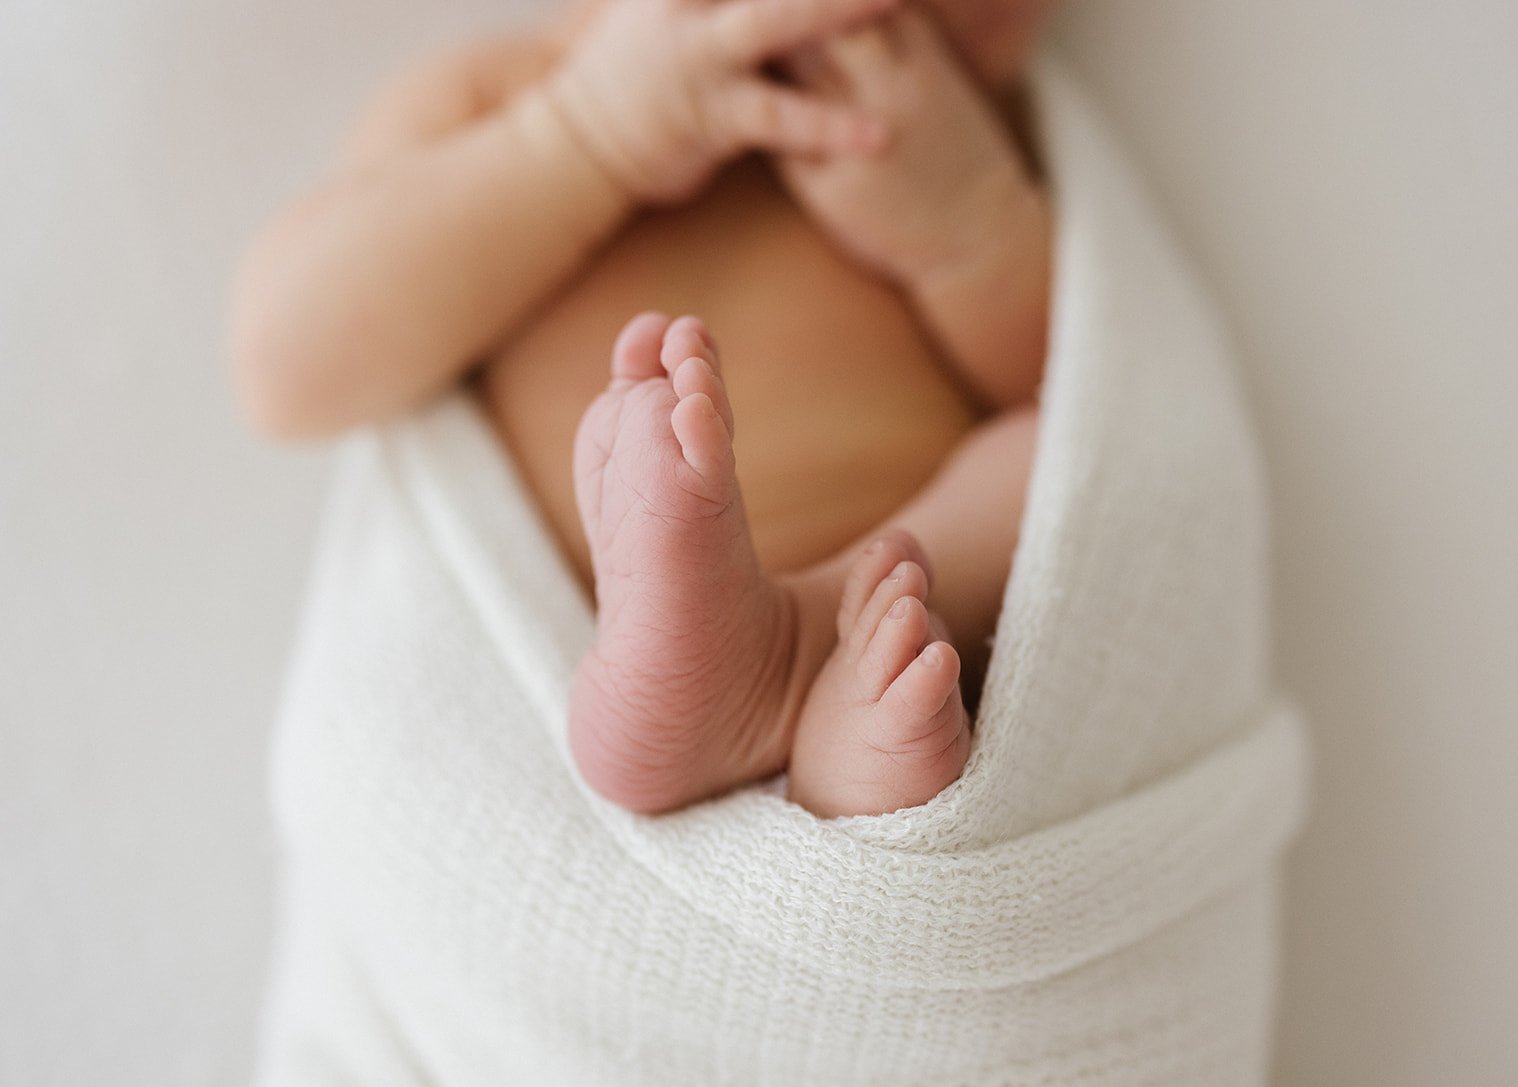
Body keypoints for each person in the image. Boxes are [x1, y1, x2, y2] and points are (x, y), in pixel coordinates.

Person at [230, 0, 1056, 818]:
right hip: (620, 675)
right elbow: (285, 369)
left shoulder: (959, 131)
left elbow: (1074, 381)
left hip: (908, 636)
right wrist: (584, 136)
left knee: (1048, 462)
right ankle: (803, 717)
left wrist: (973, 223)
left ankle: (828, 725)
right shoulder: (505, 93)